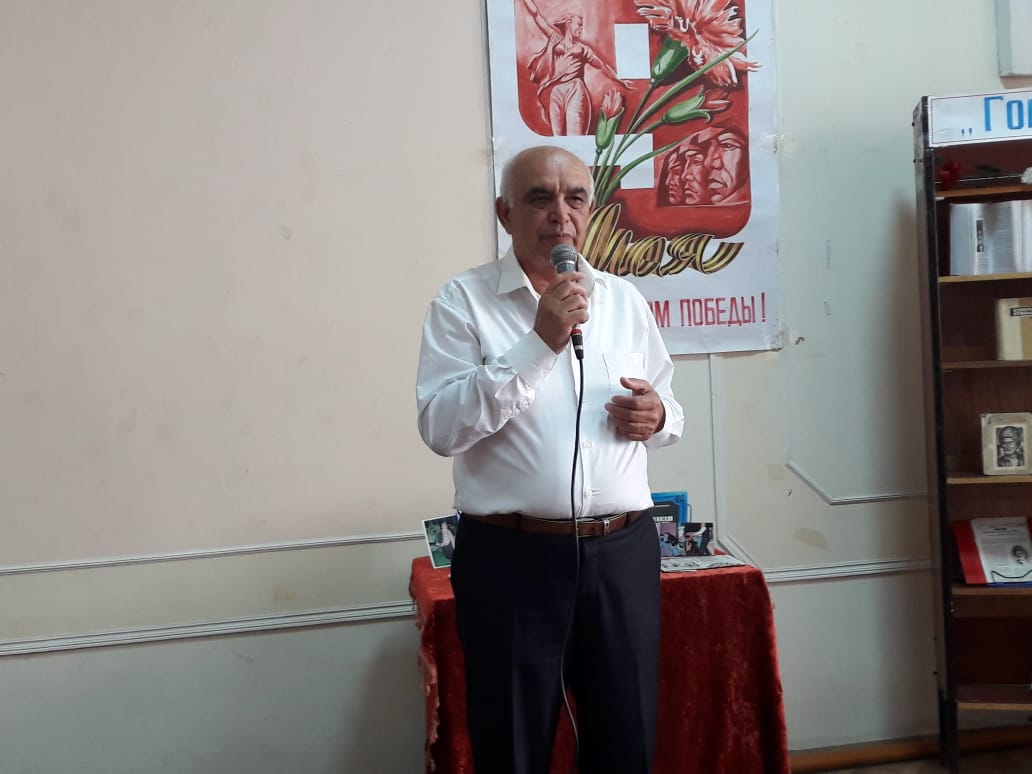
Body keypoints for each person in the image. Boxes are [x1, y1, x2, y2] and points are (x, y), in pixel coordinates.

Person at [416, 145, 684, 774]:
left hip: (622, 552)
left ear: (590, 210)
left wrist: (658, 417)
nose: (560, 214)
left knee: (626, 744)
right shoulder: (462, 302)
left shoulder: (623, 300)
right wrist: (540, 342)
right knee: (512, 748)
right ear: (505, 213)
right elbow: (441, 427)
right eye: (540, 198)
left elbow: (668, 403)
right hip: (510, 558)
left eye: (575, 198)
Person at [521, 0, 633, 135]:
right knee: (558, 137)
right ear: (568, 23)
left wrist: (619, 80)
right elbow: (536, 15)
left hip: (575, 90)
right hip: (555, 91)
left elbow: (602, 66)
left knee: (575, 134)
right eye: (579, 24)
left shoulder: (583, 49)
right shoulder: (555, 39)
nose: (581, 28)